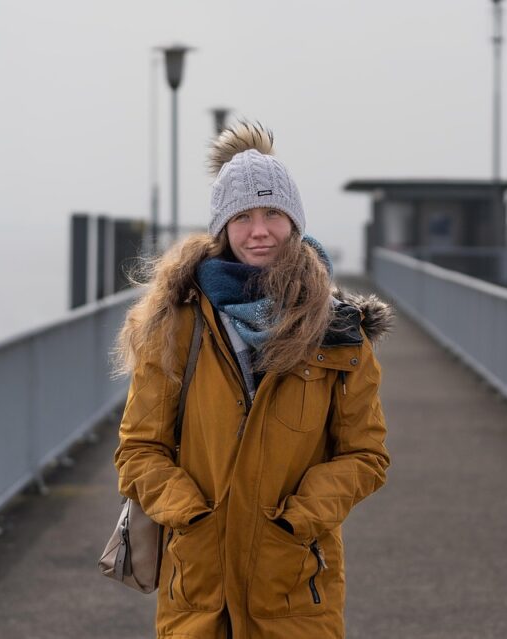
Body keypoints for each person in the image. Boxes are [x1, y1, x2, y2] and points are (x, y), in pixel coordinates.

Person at [112, 121, 392, 639]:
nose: (258, 230)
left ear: (295, 222)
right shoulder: (176, 325)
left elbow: (366, 455)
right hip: (199, 587)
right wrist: (193, 517)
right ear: (222, 227)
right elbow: (139, 451)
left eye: (272, 214)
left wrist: (296, 520)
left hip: (294, 587)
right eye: (242, 216)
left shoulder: (339, 330)